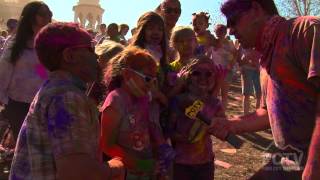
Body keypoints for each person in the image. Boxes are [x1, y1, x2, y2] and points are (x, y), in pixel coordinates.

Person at [217, 0, 320, 179]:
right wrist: (231, 124)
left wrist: (314, 165)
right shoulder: (266, 56)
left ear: (256, 8)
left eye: (233, 21)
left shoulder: (304, 31)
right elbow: (268, 113)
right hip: (293, 160)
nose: (231, 31)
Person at [10, 22, 125, 180]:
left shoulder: (55, 90)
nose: (97, 56)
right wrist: (114, 167)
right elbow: (76, 172)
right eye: (90, 48)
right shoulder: (67, 98)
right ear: (69, 56)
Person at [100, 46, 175, 179]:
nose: (150, 84)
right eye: (147, 78)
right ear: (127, 74)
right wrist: (141, 165)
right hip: (126, 173)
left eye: (154, 79)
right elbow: (107, 145)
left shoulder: (143, 97)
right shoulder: (115, 101)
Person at [0, 1, 52, 141]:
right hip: (17, 105)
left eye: (49, 15)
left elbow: (39, 69)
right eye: (42, 15)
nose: (47, 18)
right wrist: (4, 100)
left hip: (42, 104)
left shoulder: (45, 43)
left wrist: (47, 81)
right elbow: (4, 72)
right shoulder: (15, 43)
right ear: (30, 17)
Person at [168, 56, 226, 180]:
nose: (202, 77)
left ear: (214, 78)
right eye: (196, 73)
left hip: (205, 162)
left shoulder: (215, 103)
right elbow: (168, 129)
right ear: (188, 77)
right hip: (181, 162)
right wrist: (181, 137)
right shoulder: (179, 101)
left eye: (208, 74)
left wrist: (217, 128)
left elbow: (224, 129)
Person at [208, 24, 237, 110]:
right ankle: (211, 113)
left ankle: (222, 113)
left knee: (224, 94)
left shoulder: (229, 43)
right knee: (214, 93)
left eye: (221, 31)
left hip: (226, 71)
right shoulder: (212, 42)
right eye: (217, 31)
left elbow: (235, 55)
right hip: (214, 71)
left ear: (225, 32)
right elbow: (208, 55)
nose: (219, 33)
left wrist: (230, 65)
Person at [238, 47, 261, 115]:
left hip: (258, 70)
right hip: (247, 69)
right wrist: (242, 65)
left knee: (259, 94)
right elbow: (239, 58)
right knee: (247, 93)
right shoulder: (243, 43)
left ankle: (258, 114)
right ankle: (246, 115)